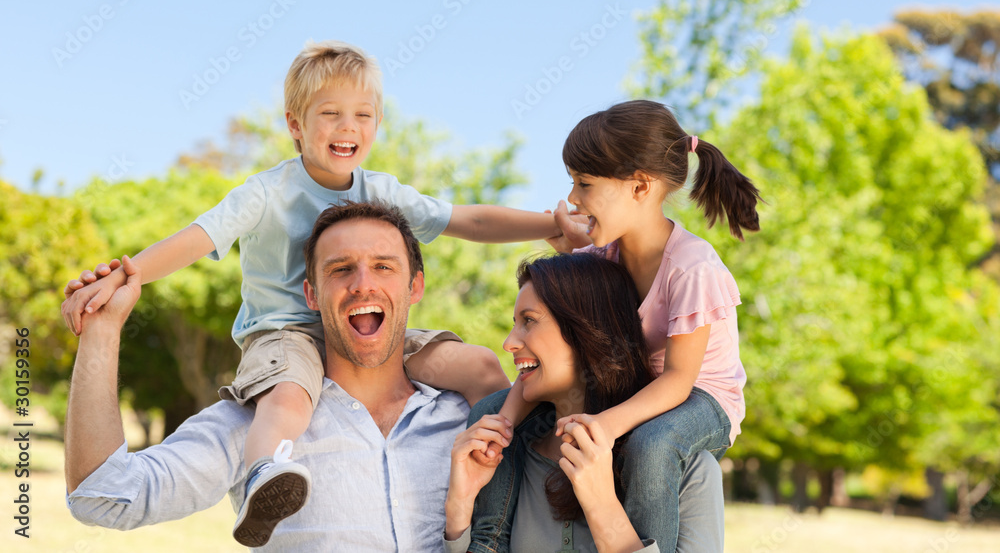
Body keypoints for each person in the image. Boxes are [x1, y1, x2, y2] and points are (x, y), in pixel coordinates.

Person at [60, 40, 584, 545]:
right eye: (330, 113)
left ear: (414, 284)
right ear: (295, 124)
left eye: (362, 115)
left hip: (371, 356)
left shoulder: (380, 191)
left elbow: (465, 217)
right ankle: (268, 473)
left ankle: (508, 461)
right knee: (289, 399)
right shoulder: (267, 192)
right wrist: (127, 279)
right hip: (283, 335)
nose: (347, 127)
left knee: (479, 367)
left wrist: (548, 225)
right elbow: (198, 239)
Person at [65, 200, 473, 551]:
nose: (363, 284)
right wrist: (101, 332)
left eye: (383, 266)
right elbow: (103, 496)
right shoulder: (261, 422)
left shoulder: (465, 417)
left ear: (414, 286)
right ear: (311, 294)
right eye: (340, 269)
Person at [483, 99, 760, 551]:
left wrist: (606, 425)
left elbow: (677, 382)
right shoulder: (600, 258)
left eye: (585, 183)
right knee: (490, 408)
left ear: (640, 187)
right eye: (572, 182)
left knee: (651, 445)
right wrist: (506, 422)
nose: (573, 197)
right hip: (639, 387)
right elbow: (557, 347)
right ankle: (487, 541)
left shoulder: (692, 268)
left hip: (703, 399)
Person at [444, 253, 725, 553]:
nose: (509, 342)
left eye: (529, 321)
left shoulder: (690, 472)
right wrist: (459, 506)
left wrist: (602, 506)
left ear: (588, 330)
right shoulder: (507, 462)